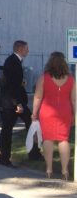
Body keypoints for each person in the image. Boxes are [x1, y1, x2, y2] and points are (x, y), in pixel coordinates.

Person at [31, 52, 75, 180]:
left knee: (48, 139)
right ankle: (65, 171)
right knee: (63, 140)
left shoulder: (44, 78)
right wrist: (75, 114)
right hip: (65, 112)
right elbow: (74, 100)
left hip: (47, 112)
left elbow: (38, 97)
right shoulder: (71, 79)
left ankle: (49, 169)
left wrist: (34, 113)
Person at [0, 39, 32, 168]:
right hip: (12, 102)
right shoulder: (13, 62)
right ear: (20, 49)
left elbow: (13, 82)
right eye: (26, 48)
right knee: (8, 129)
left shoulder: (13, 61)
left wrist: (21, 84)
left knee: (11, 128)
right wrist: (18, 103)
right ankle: (5, 157)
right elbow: (11, 85)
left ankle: (5, 157)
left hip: (12, 100)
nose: (28, 51)